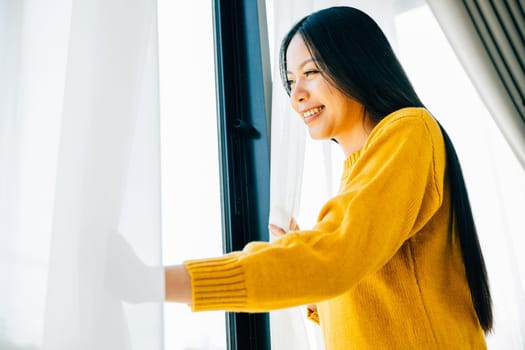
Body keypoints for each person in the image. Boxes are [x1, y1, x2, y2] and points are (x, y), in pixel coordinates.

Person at [165, 6, 492, 349]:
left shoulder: (409, 130)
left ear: (356, 63)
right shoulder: (359, 172)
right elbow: (367, 297)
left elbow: (338, 259)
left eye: (311, 72)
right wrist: (311, 279)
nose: (296, 96)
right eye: (291, 81)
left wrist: (162, 283)